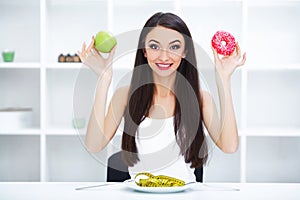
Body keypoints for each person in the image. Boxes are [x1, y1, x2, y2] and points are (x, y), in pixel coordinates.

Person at [78, 12, 246, 182]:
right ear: (144, 50)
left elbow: (229, 146)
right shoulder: (125, 95)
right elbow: (94, 145)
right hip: (137, 194)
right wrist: (104, 78)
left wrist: (224, 78)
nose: (164, 57)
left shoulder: (201, 99)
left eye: (174, 47)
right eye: (154, 46)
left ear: (185, 51)